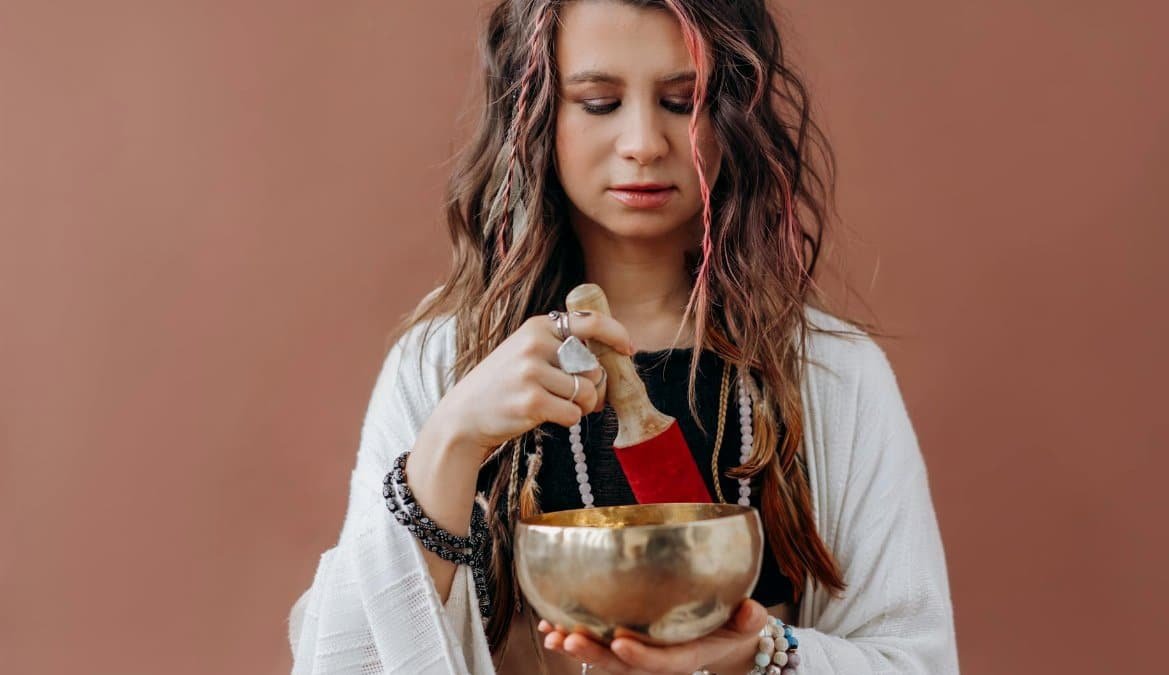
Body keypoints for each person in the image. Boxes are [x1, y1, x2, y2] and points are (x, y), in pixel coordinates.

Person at [288, 0, 958, 673]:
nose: (643, 142)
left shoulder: (831, 374)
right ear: (536, 111)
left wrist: (760, 656)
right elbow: (342, 663)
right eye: (601, 102)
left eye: (681, 100)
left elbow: (915, 660)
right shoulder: (444, 367)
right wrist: (451, 440)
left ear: (732, 114)